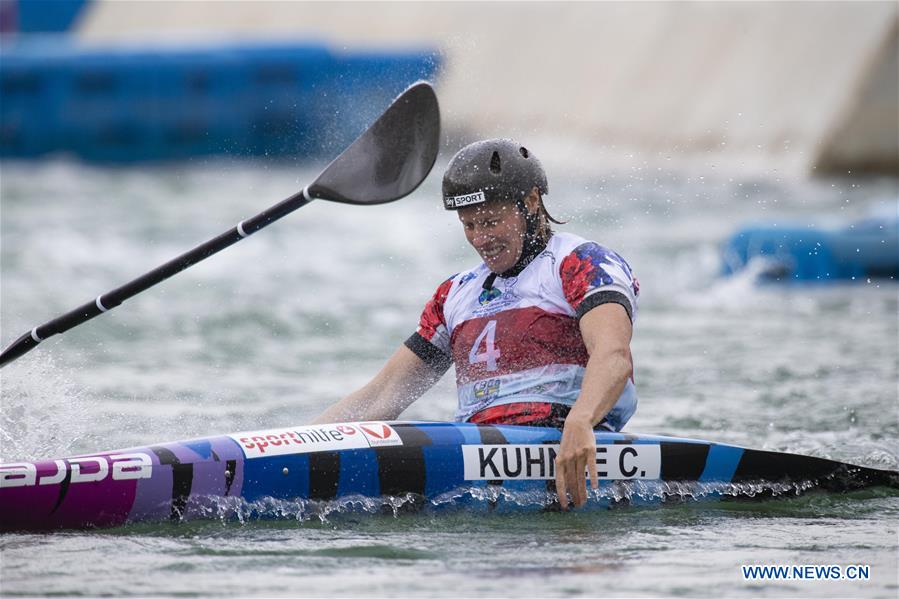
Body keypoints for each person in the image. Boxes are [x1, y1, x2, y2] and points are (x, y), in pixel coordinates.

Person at [314, 139, 639, 509]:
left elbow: (613, 356)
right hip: (479, 449)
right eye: (468, 225)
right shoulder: (455, 293)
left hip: (572, 437)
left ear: (531, 202)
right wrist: (296, 442)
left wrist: (581, 421)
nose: (480, 239)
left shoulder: (581, 263)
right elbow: (384, 394)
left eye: (490, 222)